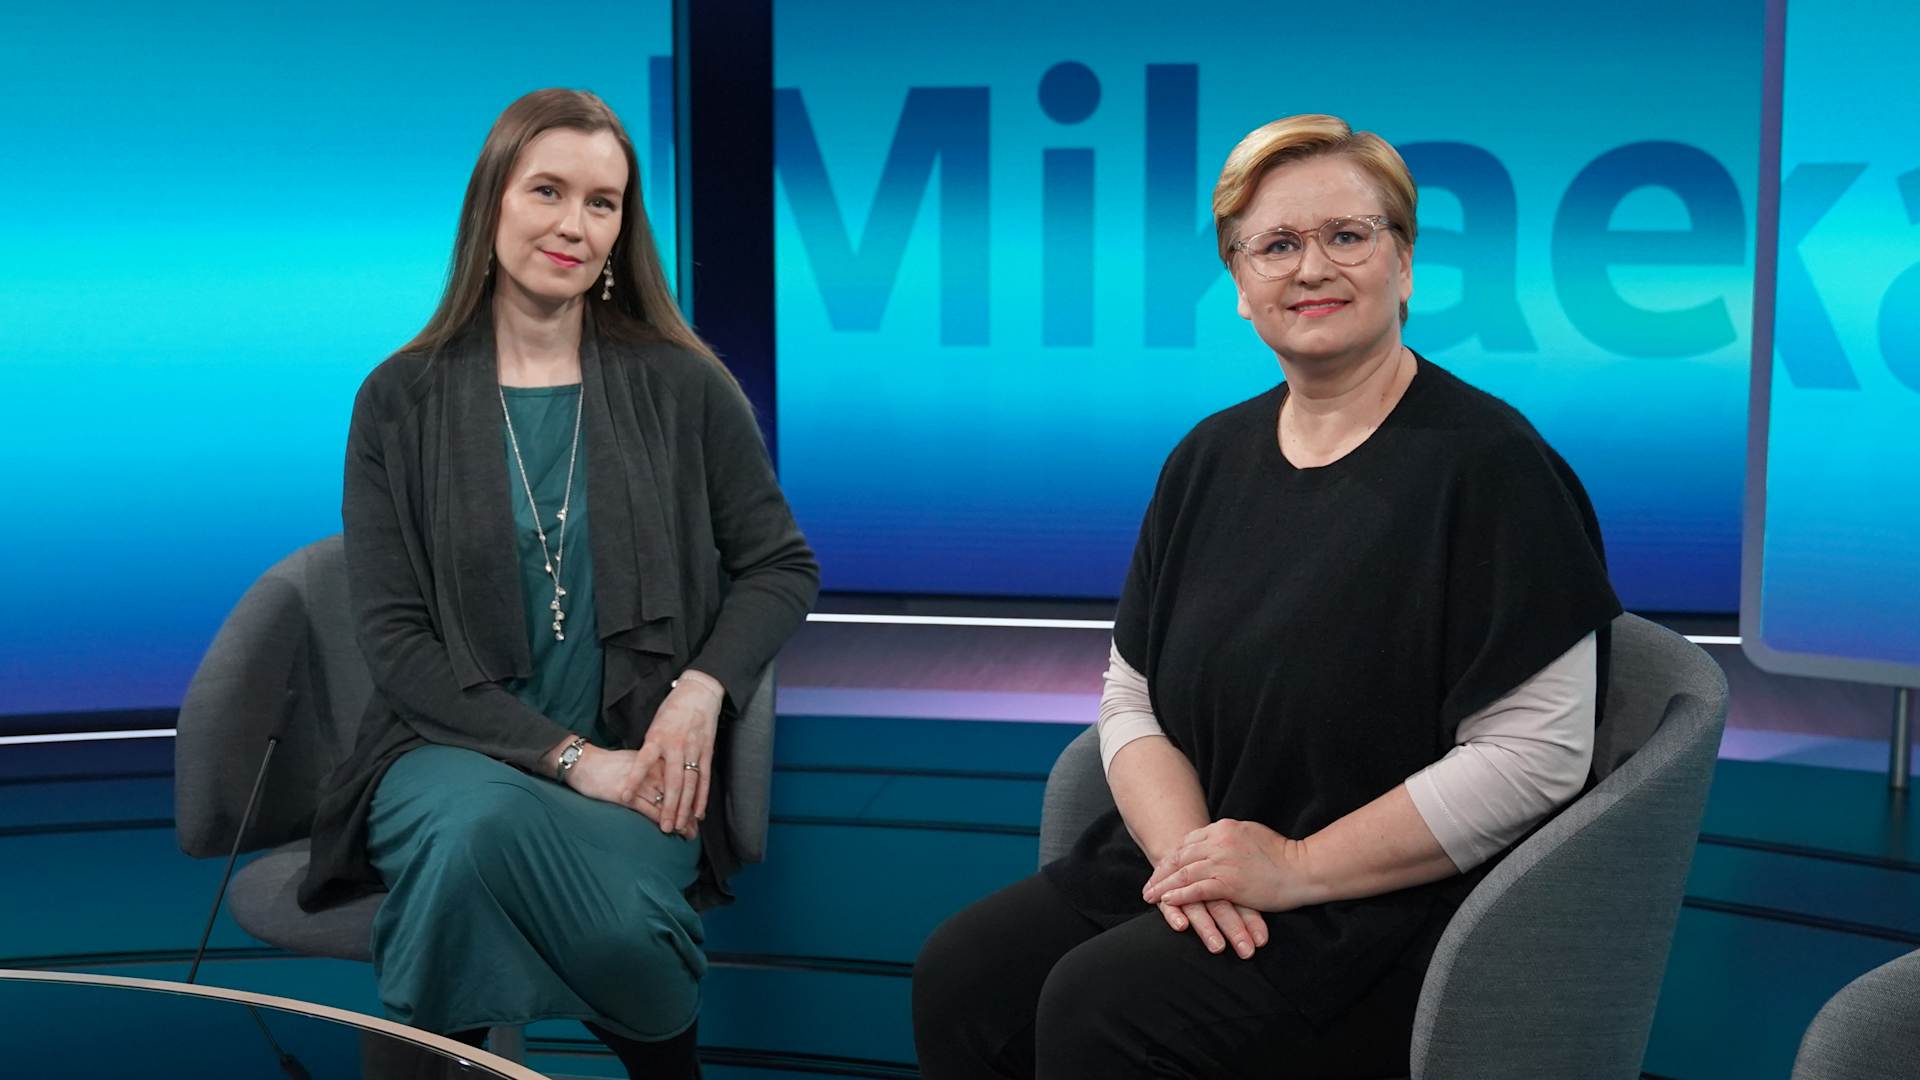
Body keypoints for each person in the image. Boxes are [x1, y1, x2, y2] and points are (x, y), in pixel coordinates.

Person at [912, 114, 1620, 1078]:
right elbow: (1132, 697)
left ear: (1405, 264)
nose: (1312, 268)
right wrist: (1192, 863)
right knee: (963, 975)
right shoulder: (1207, 457)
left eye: (1348, 236)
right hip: (1200, 860)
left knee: (1100, 1008)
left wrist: (1293, 868)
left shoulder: (1495, 468)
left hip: (1376, 906)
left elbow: (1536, 756)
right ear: (1240, 286)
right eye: (1277, 245)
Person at [299, 88, 819, 1079]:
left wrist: (701, 689)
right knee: (479, 830)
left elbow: (781, 564)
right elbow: (398, 646)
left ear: (623, 230)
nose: (574, 225)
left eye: (602, 202)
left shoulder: (683, 385)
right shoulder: (399, 399)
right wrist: (577, 762)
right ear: (492, 200)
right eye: (548, 190)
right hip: (448, 749)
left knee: (527, 891)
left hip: (643, 762)